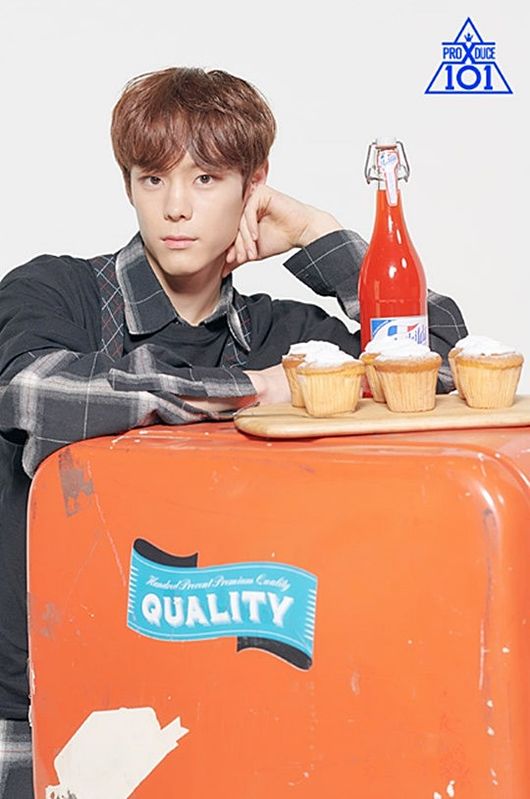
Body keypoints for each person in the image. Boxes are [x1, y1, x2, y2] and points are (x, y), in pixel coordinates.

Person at [0, 66, 467, 796]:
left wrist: (319, 235)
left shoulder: (280, 333)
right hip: (32, 716)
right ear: (129, 186)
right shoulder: (54, 291)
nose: (176, 207)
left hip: (212, 710)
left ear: (254, 186)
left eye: (207, 179)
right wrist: (255, 390)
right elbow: (36, 392)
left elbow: (436, 364)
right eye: (153, 179)